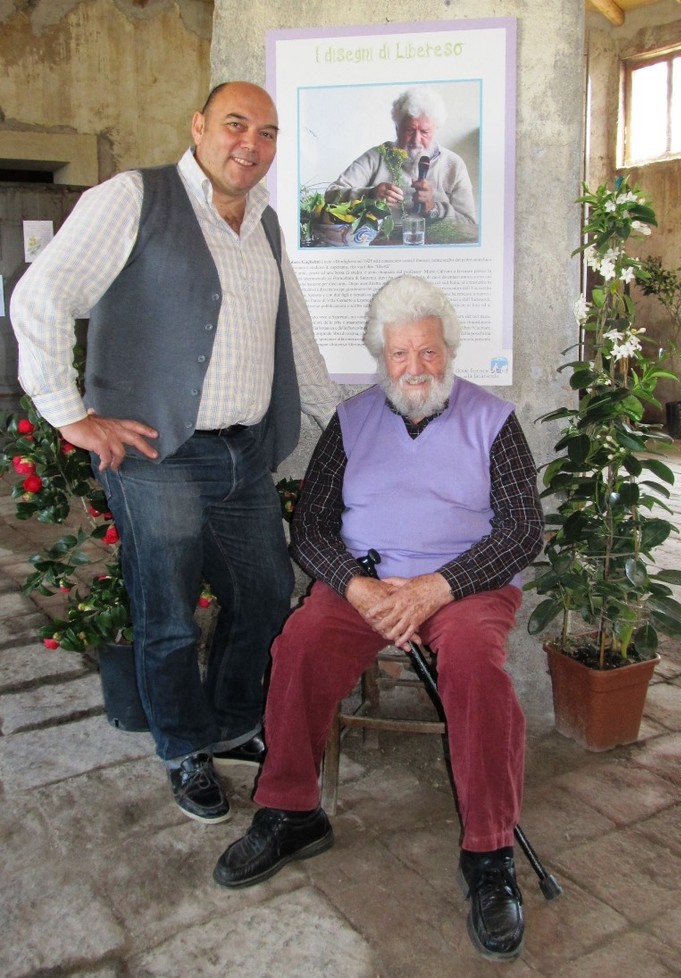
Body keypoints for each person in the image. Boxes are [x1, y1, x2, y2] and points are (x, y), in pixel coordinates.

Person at [10, 82, 341, 825]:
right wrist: (71, 416)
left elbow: (298, 336)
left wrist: (344, 420)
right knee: (165, 617)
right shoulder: (136, 197)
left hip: (244, 455)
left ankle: (228, 721)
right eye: (234, 124)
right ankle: (182, 746)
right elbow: (42, 295)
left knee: (262, 597)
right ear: (198, 128)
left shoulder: (266, 224)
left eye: (266, 131)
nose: (249, 143)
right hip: (159, 453)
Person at [212, 275, 544, 961]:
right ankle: (291, 810)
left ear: (447, 351)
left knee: (476, 671)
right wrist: (356, 588)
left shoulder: (493, 420)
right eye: (400, 354)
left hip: (466, 587)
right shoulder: (352, 419)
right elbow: (311, 526)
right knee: (300, 643)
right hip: (368, 581)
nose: (415, 367)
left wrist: (437, 587)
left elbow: (521, 531)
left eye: (427, 352)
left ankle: (489, 854)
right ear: (381, 357)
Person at [325, 86, 477, 227]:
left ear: (435, 129)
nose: (416, 141)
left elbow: (470, 225)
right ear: (397, 128)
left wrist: (434, 209)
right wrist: (369, 194)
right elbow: (330, 195)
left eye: (424, 132)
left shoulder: (453, 164)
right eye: (409, 130)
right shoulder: (376, 157)